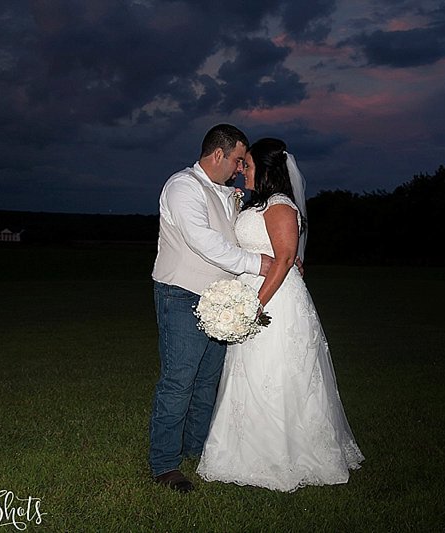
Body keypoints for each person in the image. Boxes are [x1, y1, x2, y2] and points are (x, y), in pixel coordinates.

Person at [196, 138, 364, 492]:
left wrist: (256, 305)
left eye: (250, 165)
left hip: (275, 301)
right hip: (255, 291)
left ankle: (285, 454)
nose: (243, 170)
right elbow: (276, 251)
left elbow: (285, 258)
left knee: (276, 374)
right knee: (249, 374)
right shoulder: (261, 204)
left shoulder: (281, 205)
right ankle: (241, 451)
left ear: (268, 171)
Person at [150, 124, 274, 493]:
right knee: (178, 382)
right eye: (238, 159)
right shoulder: (182, 187)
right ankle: (165, 464)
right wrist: (258, 263)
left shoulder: (227, 193)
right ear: (217, 154)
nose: (240, 168)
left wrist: (283, 257)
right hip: (181, 294)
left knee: (207, 383)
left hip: (221, 301)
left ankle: (197, 448)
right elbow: (202, 241)